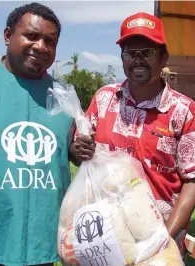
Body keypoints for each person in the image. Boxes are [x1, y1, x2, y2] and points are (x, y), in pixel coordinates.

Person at [0, 2, 94, 266]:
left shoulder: (63, 97)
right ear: (7, 36)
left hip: (40, 246)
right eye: (31, 36)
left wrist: (76, 151)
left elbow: (69, 150)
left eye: (50, 41)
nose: (41, 46)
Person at [74, 12, 195, 257]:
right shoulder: (104, 99)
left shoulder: (184, 111)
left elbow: (192, 182)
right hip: (106, 240)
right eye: (130, 52)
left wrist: (161, 241)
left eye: (147, 53)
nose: (138, 60)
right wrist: (77, 150)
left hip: (163, 242)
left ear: (164, 58)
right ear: (122, 58)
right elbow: (79, 155)